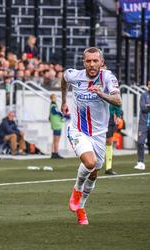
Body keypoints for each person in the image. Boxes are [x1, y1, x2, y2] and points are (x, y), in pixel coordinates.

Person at [61, 47, 121, 225]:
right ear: (83, 62)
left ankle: (81, 208)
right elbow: (64, 79)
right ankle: (77, 189)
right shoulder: (74, 75)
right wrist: (64, 100)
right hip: (78, 130)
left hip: (99, 135)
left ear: (101, 62)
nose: (92, 64)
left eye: (95, 61)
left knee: (94, 173)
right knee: (90, 162)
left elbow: (118, 100)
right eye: (88, 61)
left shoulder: (107, 78)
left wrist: (101, 93)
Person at [134, 80, 150, 170]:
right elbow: (143, 107)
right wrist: (147, 106)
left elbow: (146, 107)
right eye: (149, 84)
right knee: (140, 142)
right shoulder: (144, 95)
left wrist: (148, 106)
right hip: (143, 124)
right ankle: (140, 162)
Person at [49, 93, 69, 159]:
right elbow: (59, 113)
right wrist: (66, 115)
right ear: (52, 98)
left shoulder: (52, 106)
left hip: (55, 124)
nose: (55, 98)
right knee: (56, 140)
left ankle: (53, 153)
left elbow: (50, 117)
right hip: (57, 125)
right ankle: (56, 153)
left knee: (54, 140)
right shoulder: (54, 106)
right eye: (54, 97)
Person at [105, 104, 123, 175]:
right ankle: (92, 166)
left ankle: (108, 168)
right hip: (98, 117)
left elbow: (117, 101)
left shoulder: (113, 92)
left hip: (110, 117)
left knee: (109, 142)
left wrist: (118, 115)